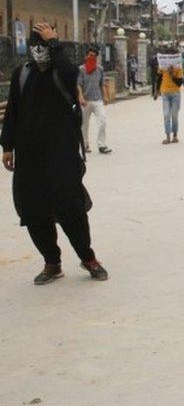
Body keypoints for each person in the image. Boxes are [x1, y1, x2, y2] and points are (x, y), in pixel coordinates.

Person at [1, 23, 109, 285]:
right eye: (36, 45)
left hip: (61, 155)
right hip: (29, 157)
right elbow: (13, 110)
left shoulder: (62, 72)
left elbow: (71, 73)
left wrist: (55, 43)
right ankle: (52, 262)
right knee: (33, 210)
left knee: (71, 208)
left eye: (45, 44)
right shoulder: (22, 74)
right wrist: (7, 146)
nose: (40, 50)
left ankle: (88, 257)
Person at [77, 45, 111, 155]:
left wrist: (105, 96)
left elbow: (102, 84)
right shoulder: (81, 69)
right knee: (84, 125)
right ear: (86, 56)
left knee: (102, 121)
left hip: (97, 99)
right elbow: (78, 85)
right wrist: (81, 97)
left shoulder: (99, 69)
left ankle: (102, 145)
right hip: (85, 101)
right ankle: (85, 144)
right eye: (90, 55)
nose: (92, 57)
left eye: (95, 56)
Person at [154, 51, 183, 145]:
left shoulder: (178, 67)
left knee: (174, 116)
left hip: (175, 93)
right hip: (165, 93)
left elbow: (179, 83)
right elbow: (159, 78)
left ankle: (175, 136)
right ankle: (167, 137)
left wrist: (171, 74)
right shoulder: (162, 66)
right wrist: (156, 90)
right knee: (166, 115)